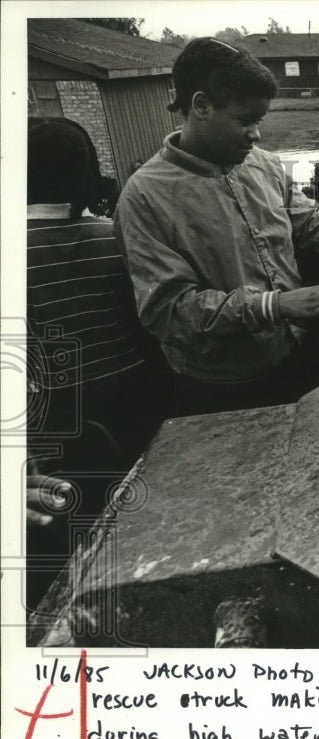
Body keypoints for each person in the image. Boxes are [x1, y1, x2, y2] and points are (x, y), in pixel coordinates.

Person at [113, 38, 319, 415]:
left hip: (298, 357)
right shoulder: (144, 197)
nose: (256, 134)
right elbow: (168, 311)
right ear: (201, 106)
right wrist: (272, 305)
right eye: (245, 121)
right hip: (221, 389)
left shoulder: (265, 165)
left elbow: (311, 224)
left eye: (259, 121)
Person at [25, 117, 169, 612]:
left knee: (70, 550)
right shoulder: (115, 238)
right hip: (138, 409)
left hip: (55, 429)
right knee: (141, 530)